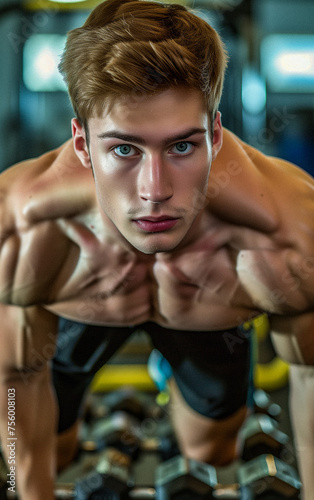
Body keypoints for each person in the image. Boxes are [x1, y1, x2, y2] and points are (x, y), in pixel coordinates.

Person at [0, 0, 313, 498]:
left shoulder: (288, 228)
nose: (155, 189)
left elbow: (309, 382)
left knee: (212, 454)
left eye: (182, 146)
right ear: (82, 144)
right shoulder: (25, 225)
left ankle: (172, 368)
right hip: (76, 307)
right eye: (124, 148)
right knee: (51, 456)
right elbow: (15, 381)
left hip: (209, 309)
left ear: (214, 134)